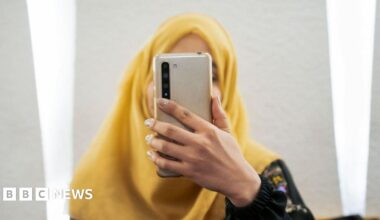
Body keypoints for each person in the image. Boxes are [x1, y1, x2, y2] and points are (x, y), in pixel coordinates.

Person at [70, 13, 314, 220]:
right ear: (142, 82)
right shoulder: (97, 177)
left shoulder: (262, 170)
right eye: (166, 73)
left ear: (228, 89)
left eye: (209, 74)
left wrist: (246, 190)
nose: (183, 92)